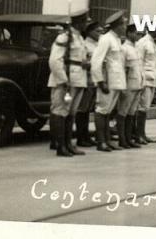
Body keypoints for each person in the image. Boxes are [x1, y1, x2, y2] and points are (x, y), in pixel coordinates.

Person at [47, 9, 90, 157]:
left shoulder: (79, 38)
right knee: (61, 112)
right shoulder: (65, 37)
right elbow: (54, 60)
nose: (86, 24)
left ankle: (68, 144)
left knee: (71, 113)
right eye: (84, 21)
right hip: (66, 81)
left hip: (78, 80)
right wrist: (62, 80)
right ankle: (60, 146)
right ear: (78, 22)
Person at [91, 11, 128, 152]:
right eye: (123, 24)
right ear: (117, 26)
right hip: (107, 82)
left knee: (107, 112)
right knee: (101, 111)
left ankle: (107, 140)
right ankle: (101, 142)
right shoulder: (106, 39)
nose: (125, 27)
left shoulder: (117, 40)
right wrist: (100, 82)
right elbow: (96, 62)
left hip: (117, 81)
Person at [75, 19, 102, 148]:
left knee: (88, 110)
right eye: (97, 31)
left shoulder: (98, 44)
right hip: (86, 80)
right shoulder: (85, 45)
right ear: (89, 32)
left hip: (95, 81)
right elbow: (83, 63)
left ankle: (86, 136)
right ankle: (81, 137)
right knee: (82, 110)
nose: (99, 33)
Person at [117, 23, 143, 149]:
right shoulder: (124, 48)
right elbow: (122, 69)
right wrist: (122, 87)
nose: (137, 35)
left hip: (137, 84)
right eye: (135, 33)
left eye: (138, 33)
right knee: (123, 112)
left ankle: (128, 138)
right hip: (128, 85)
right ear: (128, 33)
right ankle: (122, 139)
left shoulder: (135, 48)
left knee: (131, 113)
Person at [134, 25, 156, 144]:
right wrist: (140, 80)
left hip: (152, 79)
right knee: (141, 108)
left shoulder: (153, 43)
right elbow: (139, 62)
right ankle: (138, 135)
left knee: (145, 108)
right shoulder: (143, 42)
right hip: (144, 79)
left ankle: (142, 134)